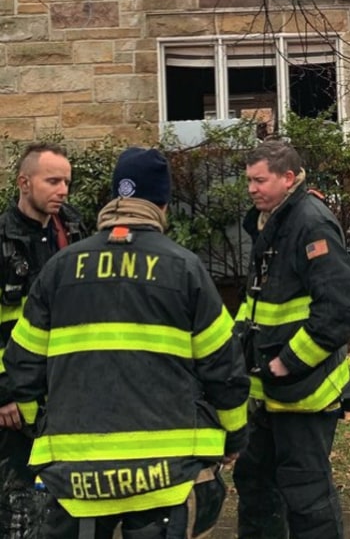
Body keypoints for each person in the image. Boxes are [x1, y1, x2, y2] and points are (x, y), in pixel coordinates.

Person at [3, 147, 250, 538]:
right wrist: (234, 437)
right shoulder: (184, 268)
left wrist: (36, 425)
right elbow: (225, 366)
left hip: (76, 479)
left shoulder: (61, 268)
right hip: (161, 476)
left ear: (115, 197)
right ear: (163, 204)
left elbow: (23, 362)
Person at [233, 140, 350, 539]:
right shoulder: (272, 221)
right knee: (254, 480)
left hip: (303, 390)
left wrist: (287, 361)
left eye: (260, 180)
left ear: (288, 178)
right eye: (249, 181)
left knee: (306, 493)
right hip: (271, 390)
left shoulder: (311, 223)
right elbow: (259, 303)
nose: (251, 189)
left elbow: (339, 308)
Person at [0, 142, 86, 538]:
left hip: (70, 392)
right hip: (18, 399)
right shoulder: (4, 241)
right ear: (23, 182)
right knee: (18, 506)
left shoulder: (76, 229)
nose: (63, 189)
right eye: (53, 180)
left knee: (69, 504)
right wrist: (3, 391)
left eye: (66, 181)